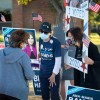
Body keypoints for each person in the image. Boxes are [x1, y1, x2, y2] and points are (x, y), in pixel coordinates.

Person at [0, 30, 34, 100]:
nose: (26, 44)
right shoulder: (23, 56)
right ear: (21, 43)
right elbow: (29, 76)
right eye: (25, 42)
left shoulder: (1, 53)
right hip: (18, 93)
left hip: (2, 90)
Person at [39, 22, 62, 100]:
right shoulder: (40, 40)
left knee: (54, 96)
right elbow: (41, 54)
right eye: (41, 31)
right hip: (43, 72)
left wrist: (54, 74)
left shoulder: (56, 42)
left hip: (53, 73)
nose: (43, 33)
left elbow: (58, 60)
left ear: (50, 33)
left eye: (45, 32)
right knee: (44, 95)